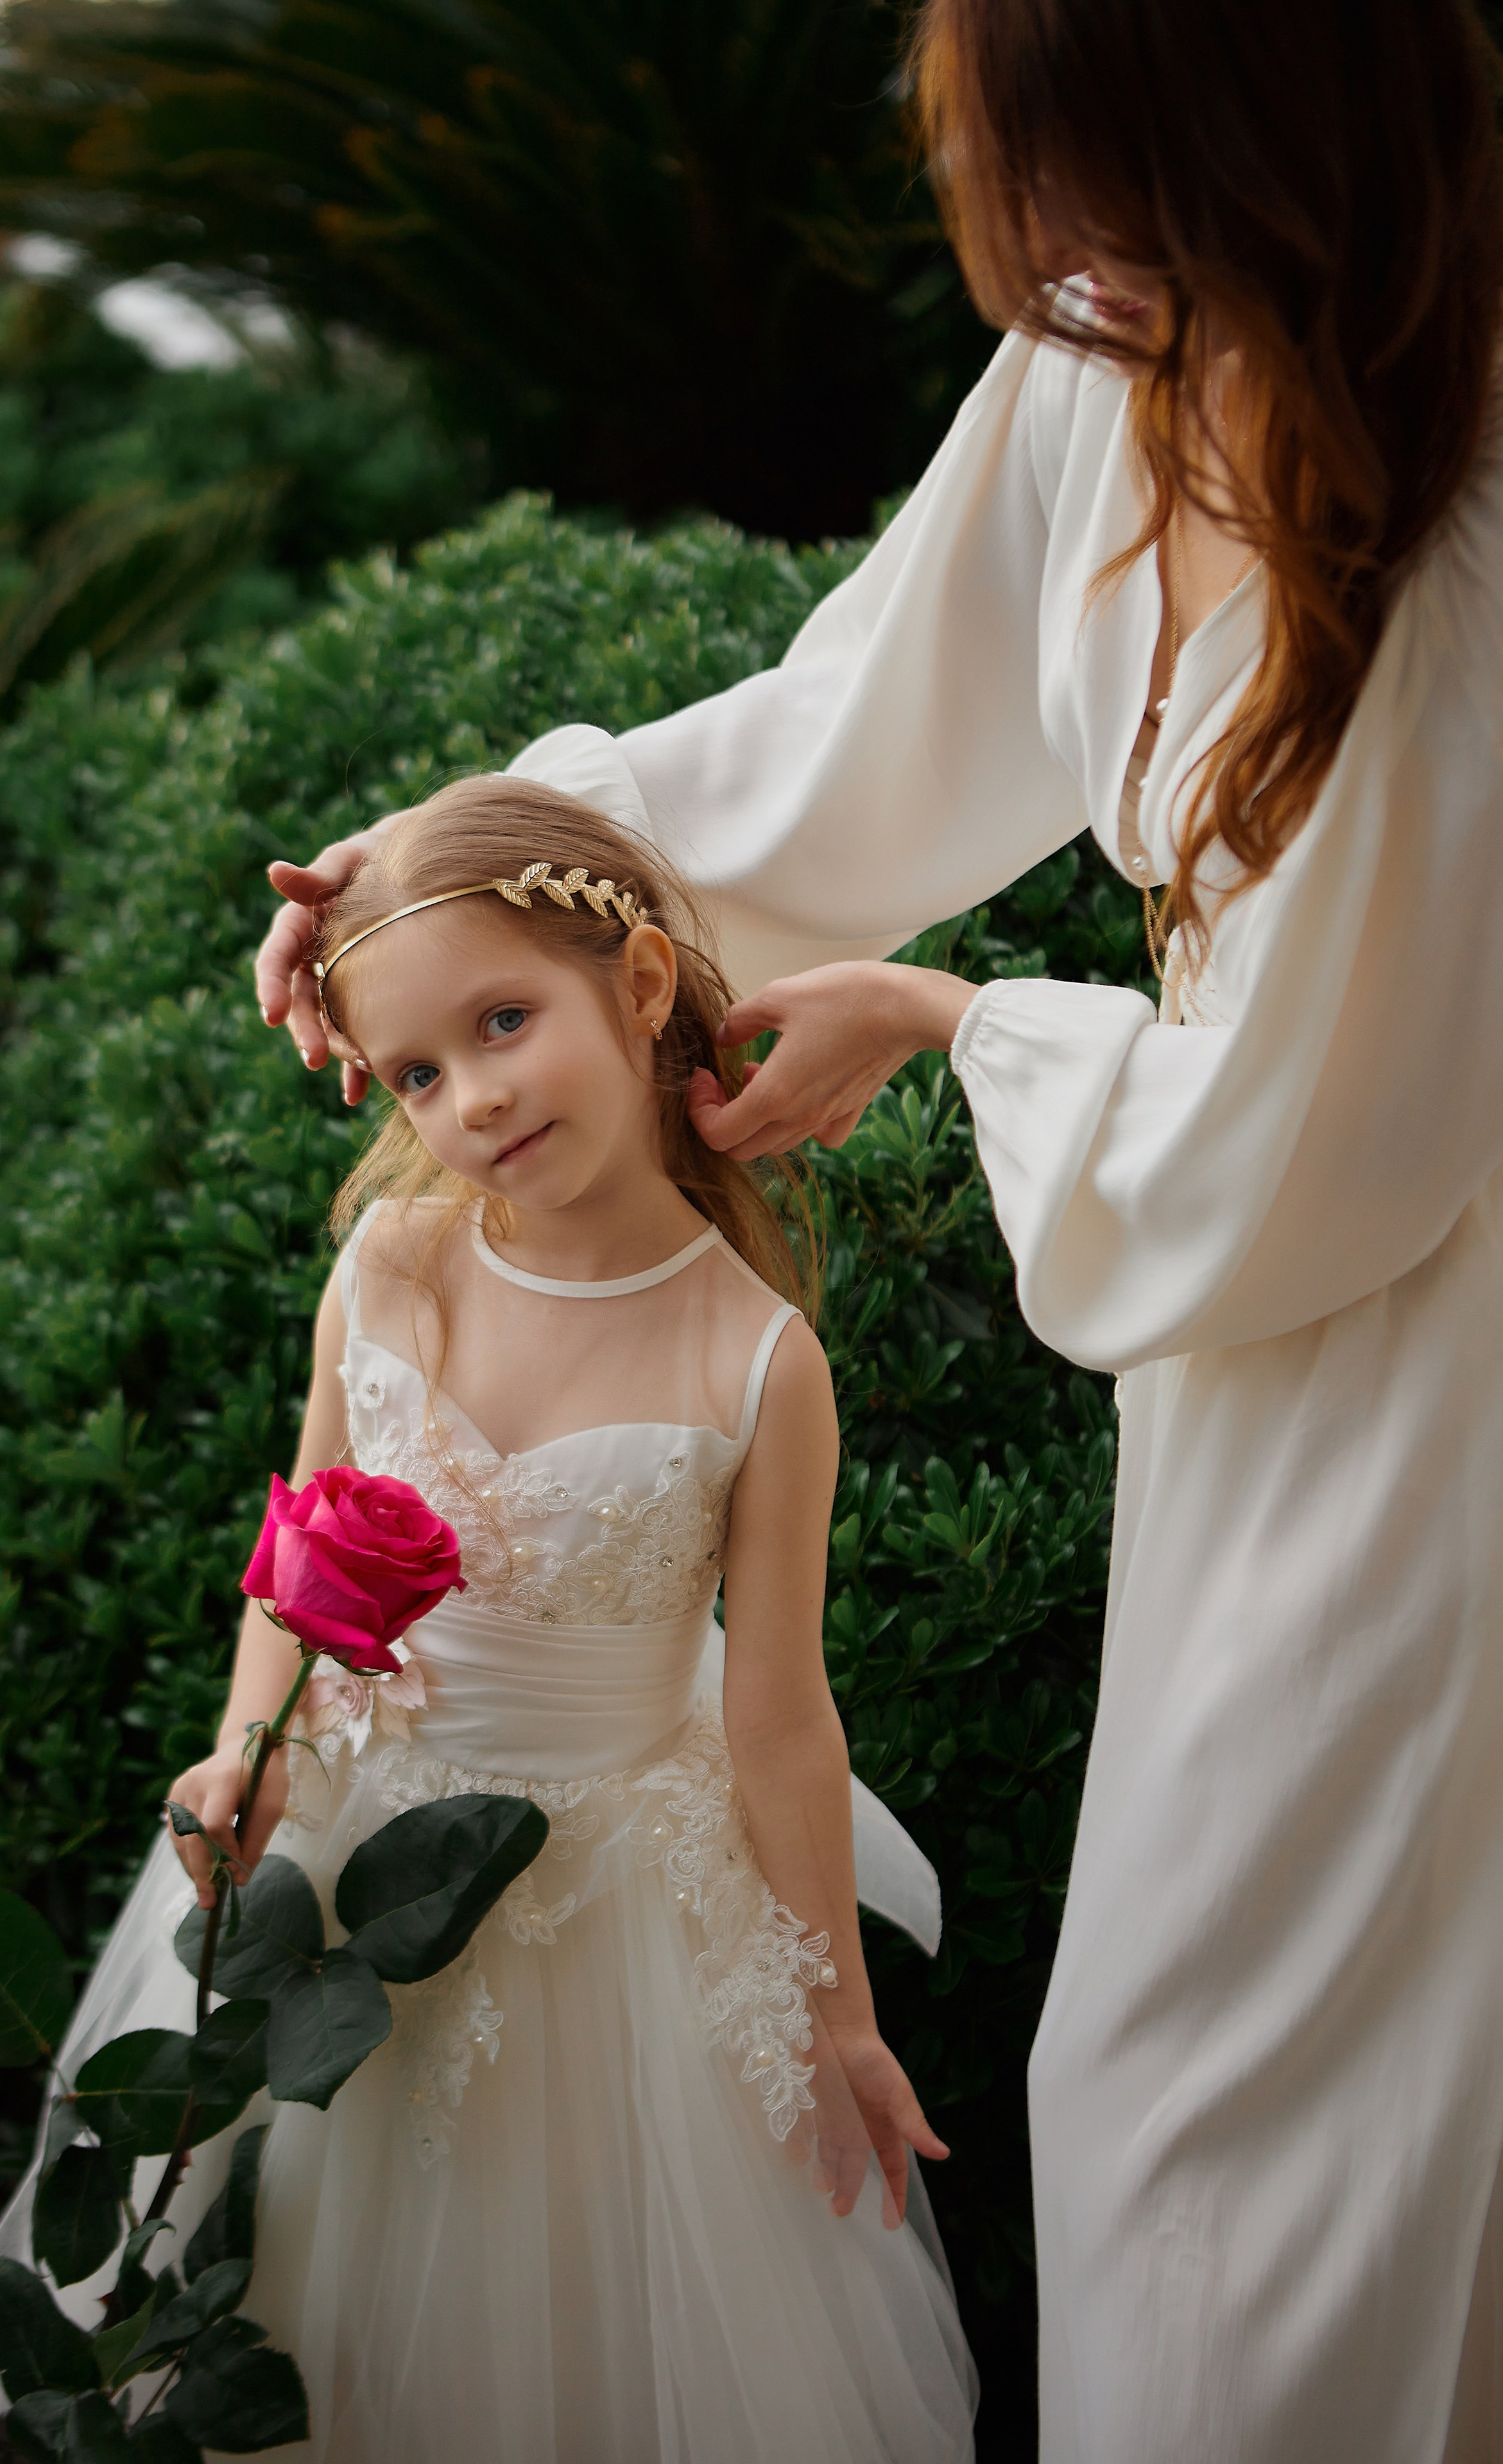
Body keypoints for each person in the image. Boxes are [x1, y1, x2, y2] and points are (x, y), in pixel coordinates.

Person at [253, 3, 1503, 2456]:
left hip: (1413, 1350)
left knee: (1247, 2081)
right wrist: (473, 875)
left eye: (1107, 186)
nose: (1047, 259)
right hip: (1267, 1315)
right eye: (1016, 186)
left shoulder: (1449, 562)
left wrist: (957, 1021)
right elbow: (860, 727)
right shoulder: (1109, 364)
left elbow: (1295, 1160)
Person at [0, 778, 976, 2462]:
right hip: (348, 1842)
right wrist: (241, 1743)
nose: (470, 1097)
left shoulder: (756, 1359)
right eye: (418, 1069)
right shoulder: (395, 1265)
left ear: (634, 988)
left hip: (617, 1919)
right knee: (314, 2282)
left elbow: (779, 1717)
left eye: (504, 1021)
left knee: (567, 2314)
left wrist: (833, 2012)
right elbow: (309, 1545)